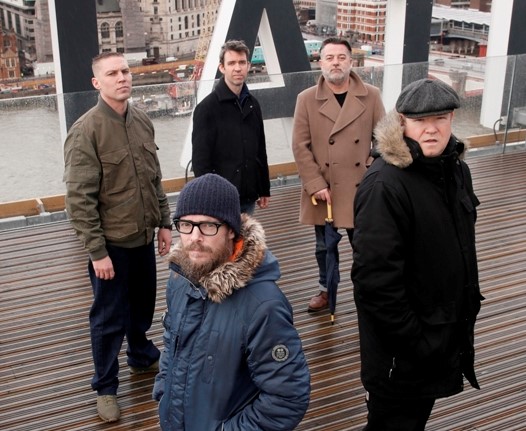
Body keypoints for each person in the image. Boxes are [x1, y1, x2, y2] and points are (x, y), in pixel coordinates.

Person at [351, 78, 483, 430]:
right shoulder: (384, 185)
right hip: (403, 354)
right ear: (402, 122)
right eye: (420, 120)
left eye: (440, 118)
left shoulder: (456, 170)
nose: (431, 128)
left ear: (452, 118)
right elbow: (375, 284)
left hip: (440, 337)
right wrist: (418, 342)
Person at [152, 173, 310, 430]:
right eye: (186, 224)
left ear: (231, 231)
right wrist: (164, 392)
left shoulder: (264, 307)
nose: (195, 237)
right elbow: (172, 342)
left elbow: (288, 398)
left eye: (208, 226)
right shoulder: (180, 279)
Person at [63, 52, 172, 423]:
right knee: (108, 318)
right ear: (97, 83)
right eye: (112, 73)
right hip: (110, 244)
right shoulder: (86, 131)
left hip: (143, 237)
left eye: (125, 71)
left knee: (142, 306)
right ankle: (106, 387)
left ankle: (140, 355)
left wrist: (164, 223)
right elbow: (79, 200)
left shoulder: (141, 119)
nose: (122, 77)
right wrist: (97, 252)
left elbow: (154, 179)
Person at [292, 37, 385, 312]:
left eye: (341, 57)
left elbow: (384, 139)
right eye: (330, 58)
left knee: (365, 245)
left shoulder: (372, 95)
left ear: (351, 62)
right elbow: (300, 146)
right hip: (325, 188)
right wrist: (315, 184)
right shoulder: (306, 99)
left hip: (360, 187)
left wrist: (369, 170)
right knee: (324, 247)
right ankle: (325, 289)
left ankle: (368, 289)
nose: (336, 63)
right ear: (320, 62)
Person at [191, 39, 271, 214]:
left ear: (248, 66)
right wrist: (211, 196)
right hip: (220, 200)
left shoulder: (253, 104)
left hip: (249, 196)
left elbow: (260, 149)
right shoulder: (206, 109)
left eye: (242, 62)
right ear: (222, 67)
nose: (237, 68)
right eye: (232, 63)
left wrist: (264, 187)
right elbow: (200, 161)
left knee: (246, 233)